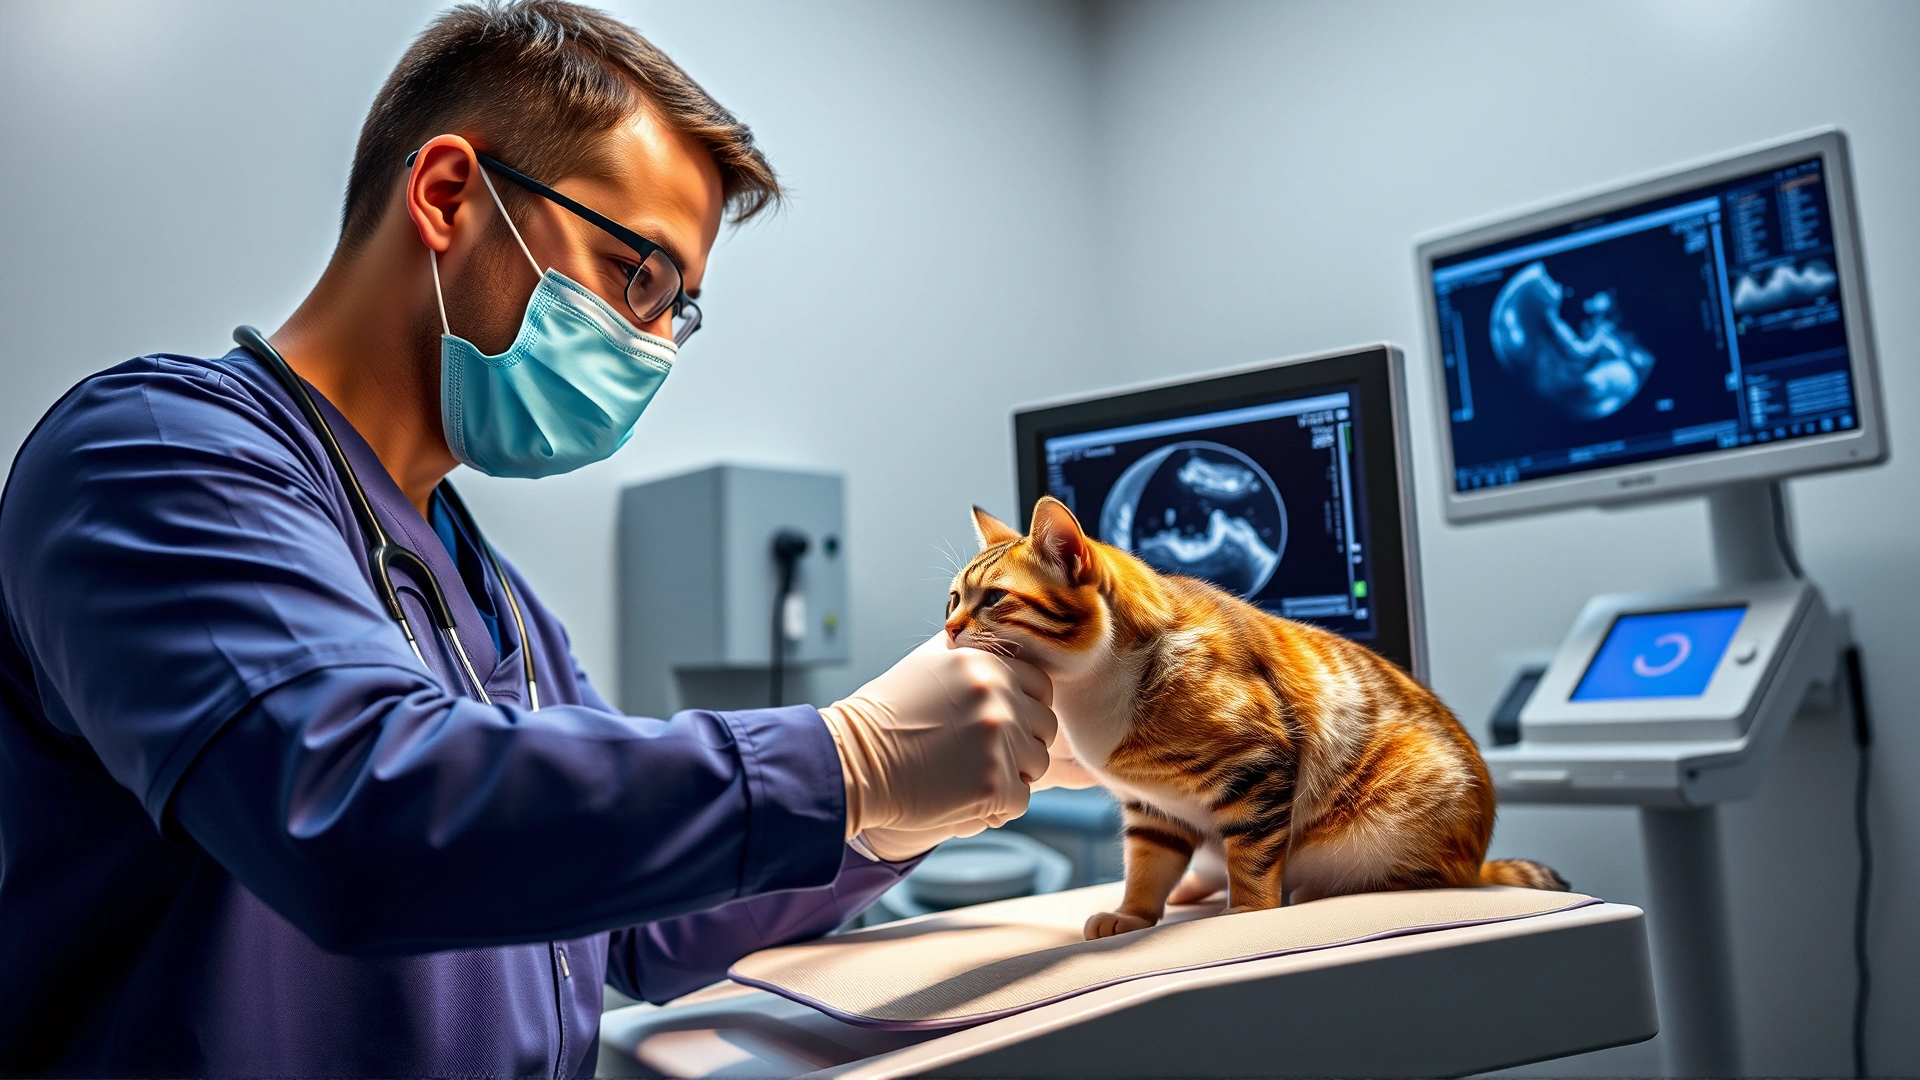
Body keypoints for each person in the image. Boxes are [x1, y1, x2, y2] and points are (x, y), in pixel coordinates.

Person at [0, 3, 1061, 1075]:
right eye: (636, 274)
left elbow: (637, 930)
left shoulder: (487, 590)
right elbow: (356, 812)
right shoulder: (154, 458)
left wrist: (907, 806)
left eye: (679, 309)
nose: (655, 346)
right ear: (447, 194)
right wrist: (846, 759)